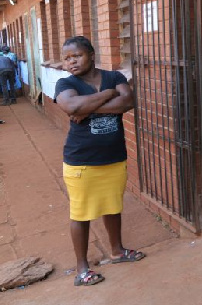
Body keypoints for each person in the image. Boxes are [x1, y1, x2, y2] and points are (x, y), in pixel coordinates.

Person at [54, 36, 145, 287]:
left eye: (77, 56)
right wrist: (107, 95)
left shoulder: (114, 77)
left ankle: (117, 251)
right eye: (67, 58)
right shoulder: (66, 83)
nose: (72, 62)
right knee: (81, 214)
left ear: (91, 54)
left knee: (112, 207)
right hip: (82, 161)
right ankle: (82, 269)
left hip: (114, 158)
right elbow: (71, 105)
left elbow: (128, 101)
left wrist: (87, 108)